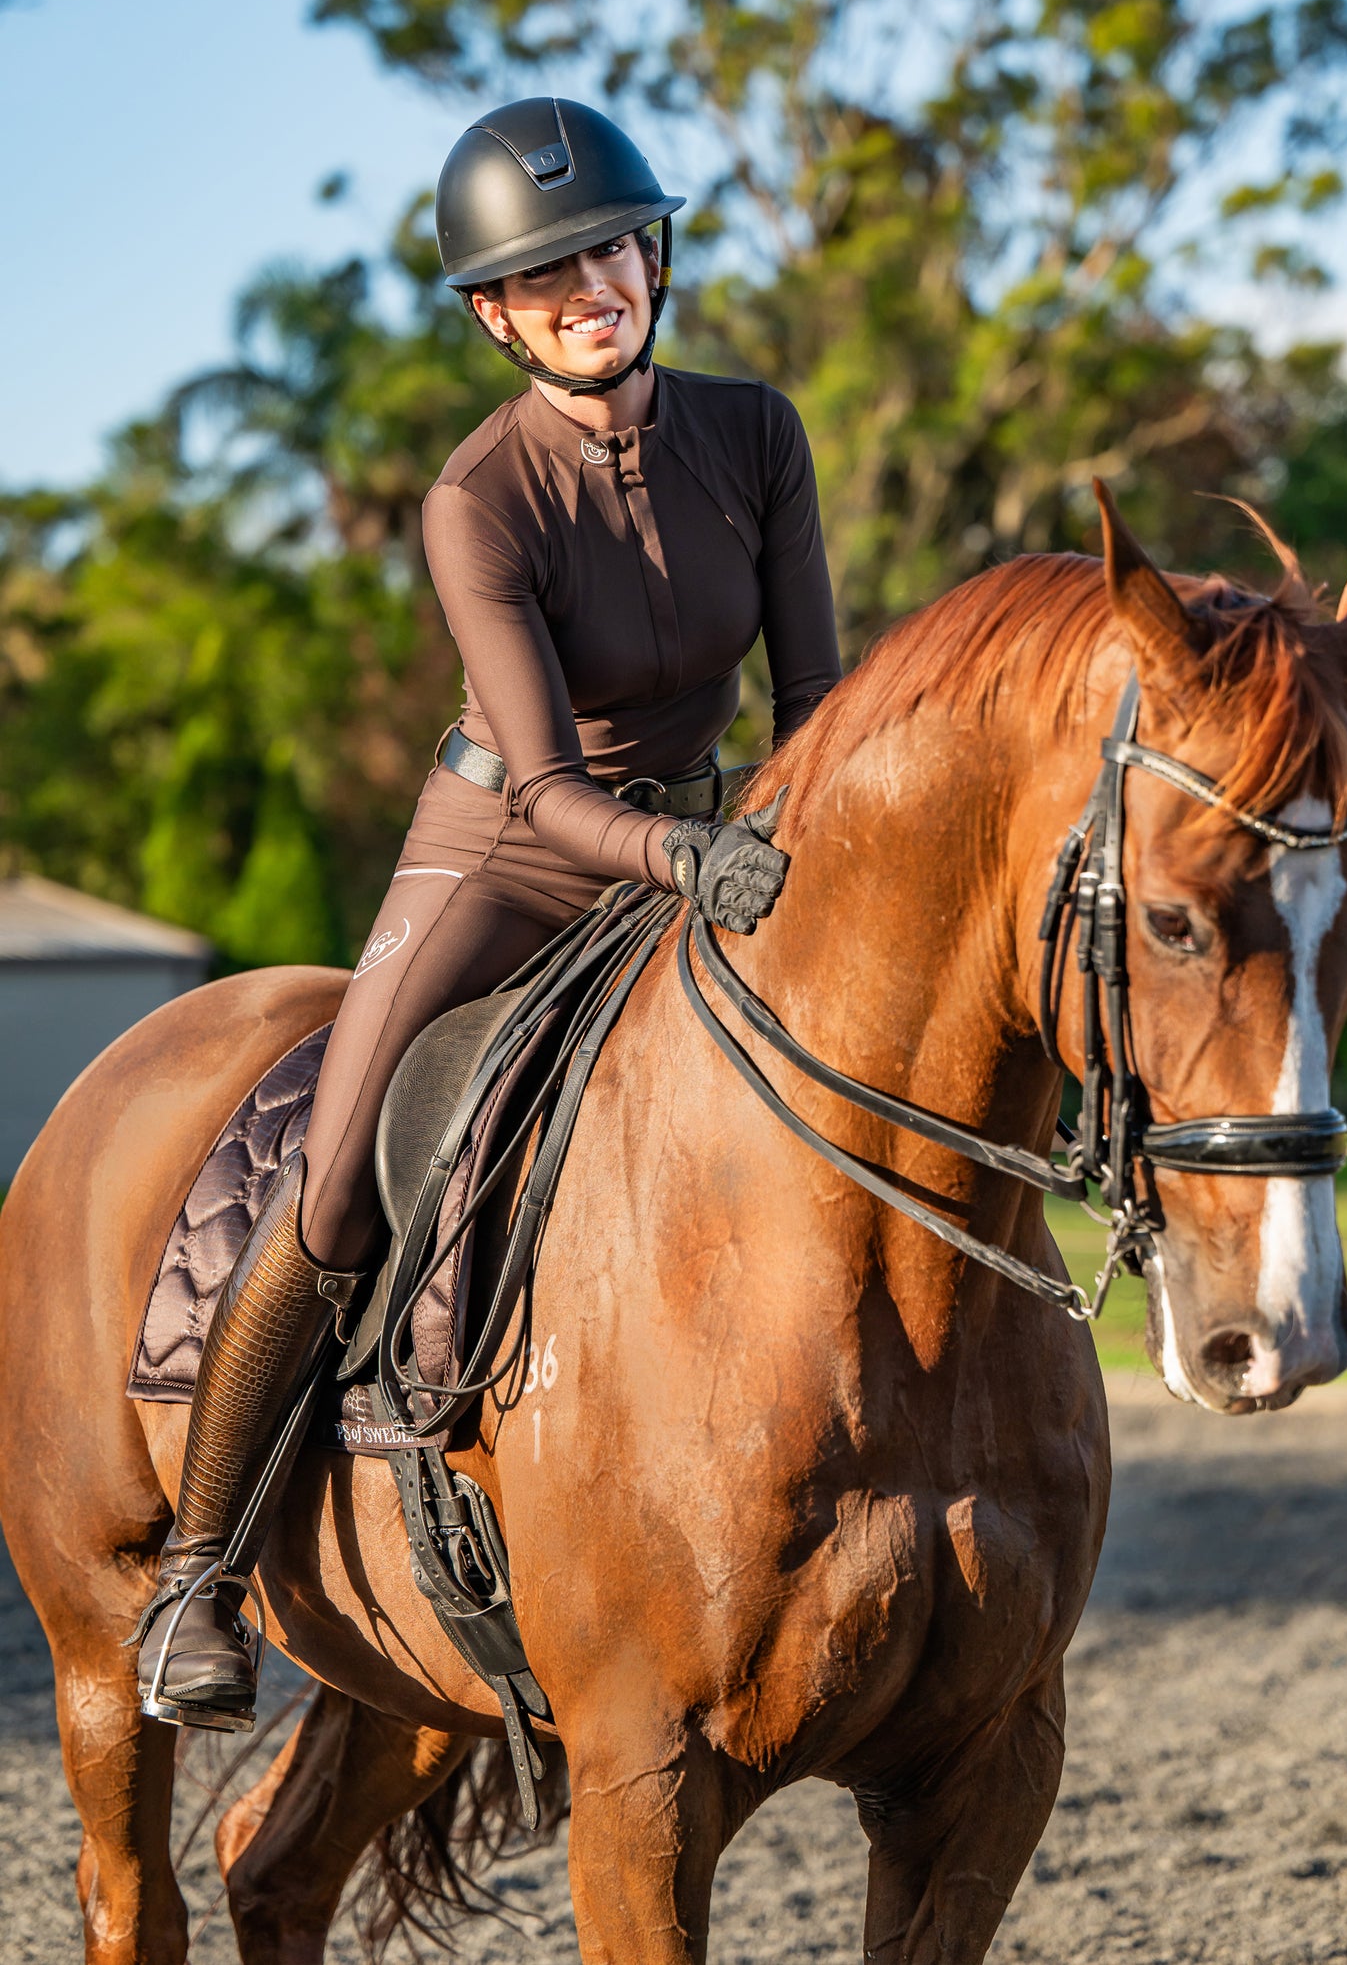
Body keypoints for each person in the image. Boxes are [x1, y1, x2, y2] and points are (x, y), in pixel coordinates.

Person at [133, 96, 842, 1729]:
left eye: (604, 246)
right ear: (491, 315)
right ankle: (200, 1572)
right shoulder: (479, 498)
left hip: (712, 829)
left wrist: (803, 832)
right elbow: (537, 787)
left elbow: (812, 696)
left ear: (650, 252)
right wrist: (685, 862)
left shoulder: (760, 433)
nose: (586, 284)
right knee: (334, 1171)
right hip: (510, 852)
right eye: (541, 276)